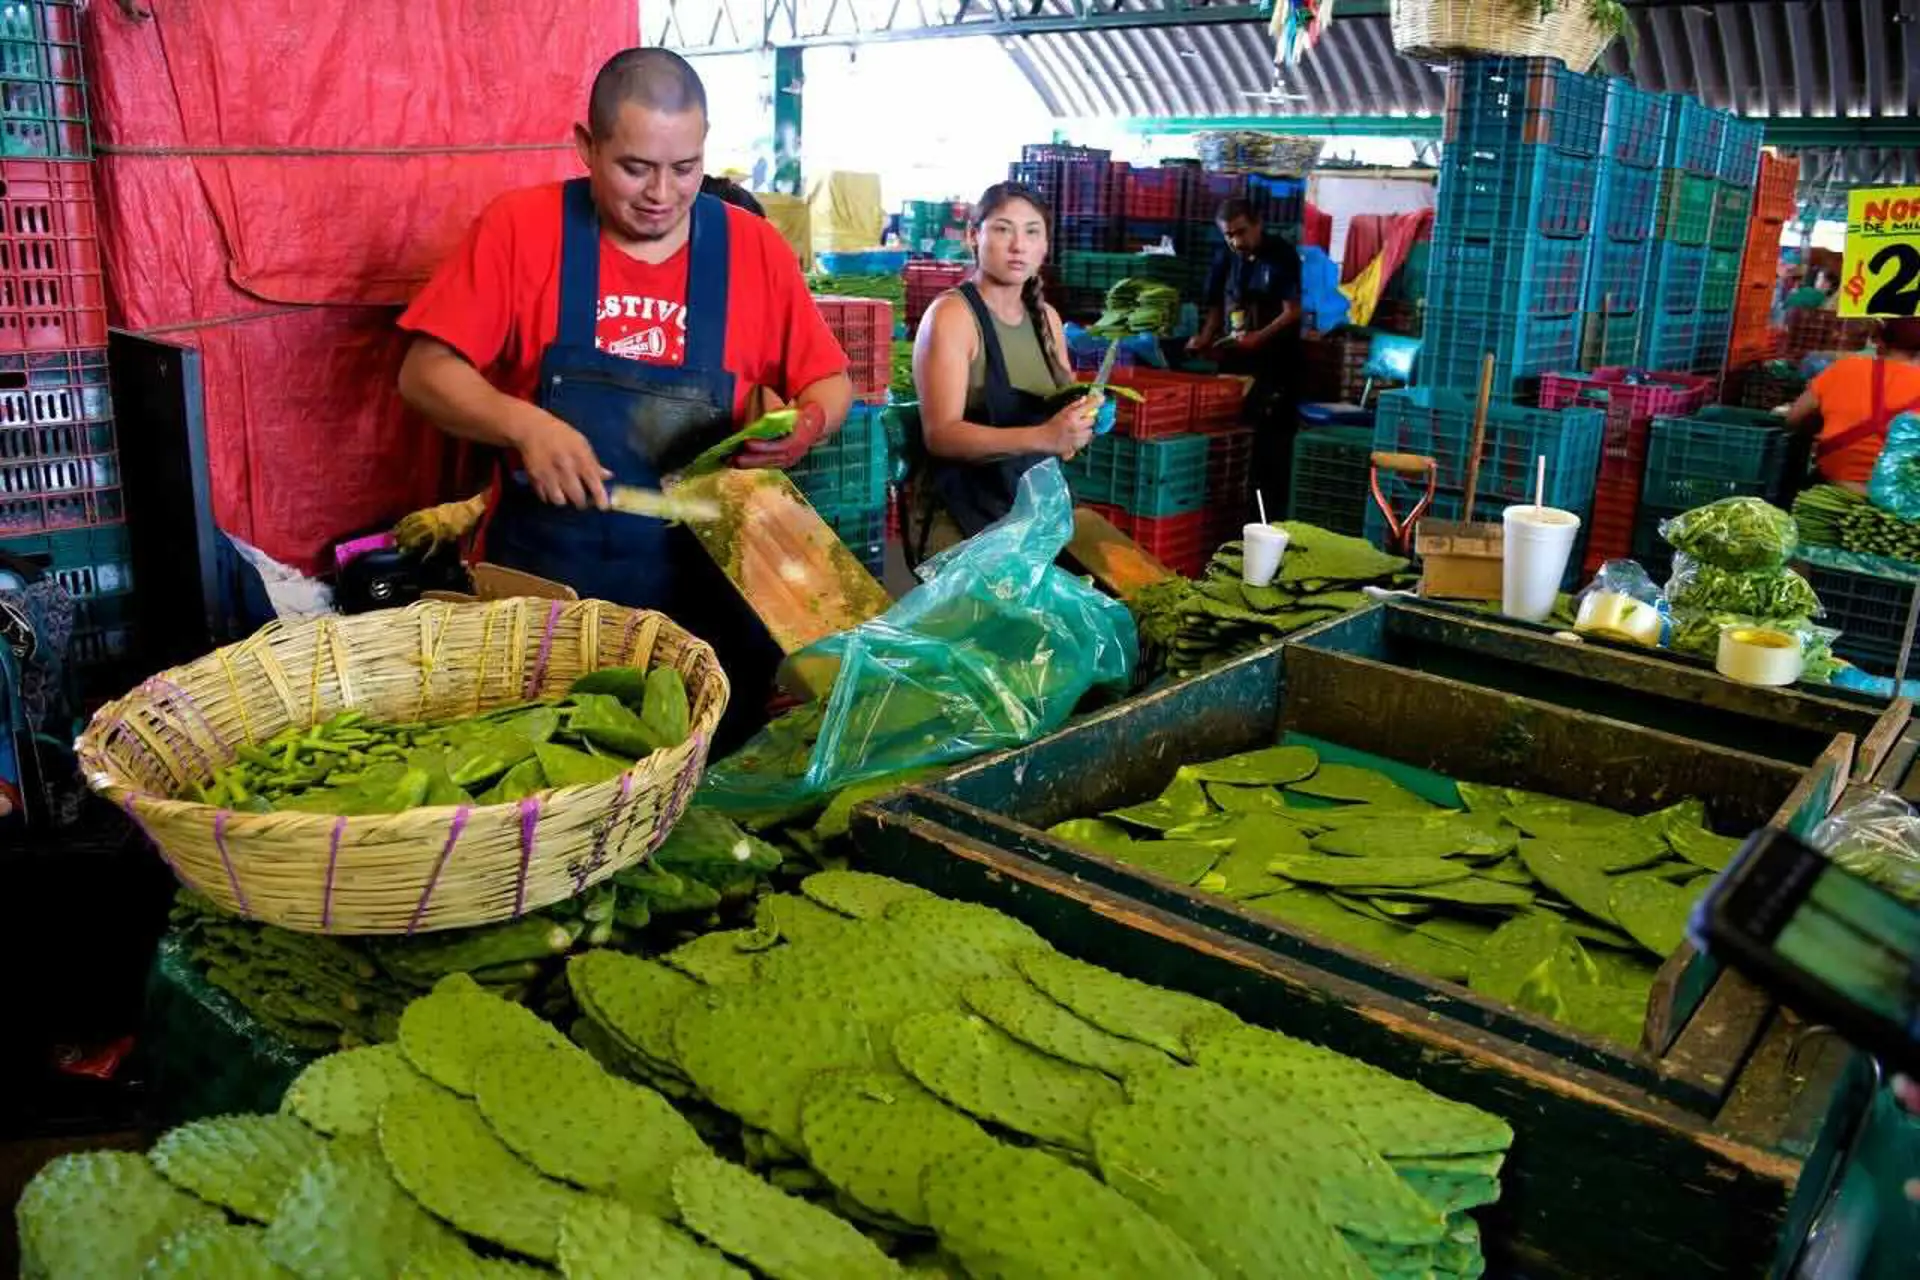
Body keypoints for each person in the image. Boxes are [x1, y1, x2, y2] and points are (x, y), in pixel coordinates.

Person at [396, 48, 853, 611]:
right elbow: (423, 373)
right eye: (634, 169)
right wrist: (524, 425)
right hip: (545, 588)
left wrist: (806, 424)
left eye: (685, 168)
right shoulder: (520, 229)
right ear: (587, 146)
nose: (662, 195)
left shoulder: (753, 248)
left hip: (711, 588)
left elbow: (830, 385)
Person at [908, 182, 1095, 560]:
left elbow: (1063, 420)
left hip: (1033, 508)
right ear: (974, 236)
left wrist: (1083, 422)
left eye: (1032, 232)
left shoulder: (1047, 320)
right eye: (1002, 229)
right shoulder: (952, 316)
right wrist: (1044, 437)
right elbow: (941, 435)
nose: (1018, 245)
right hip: (962, 514)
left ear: (1044, 246)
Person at [1189, 197, 1303, 514]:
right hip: (1237, 363)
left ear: (1258, 224)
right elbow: (1215, 307)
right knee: (1235, 435)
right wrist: (1205, 338)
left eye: (1241, 232)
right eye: (1229, 235)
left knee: (1269, 449)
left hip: (1276, 365)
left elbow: (1292, 312)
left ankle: (1268, 516)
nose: (1236, 241)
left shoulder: (1281, 255)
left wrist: (1259, 338)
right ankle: (1233, 509)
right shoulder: (1226, 257)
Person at [1786, 317, 1920, 489]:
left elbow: (1793, 420)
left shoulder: (1846, 368)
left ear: (1880, 341)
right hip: (1898, 497)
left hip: (1834, 484)